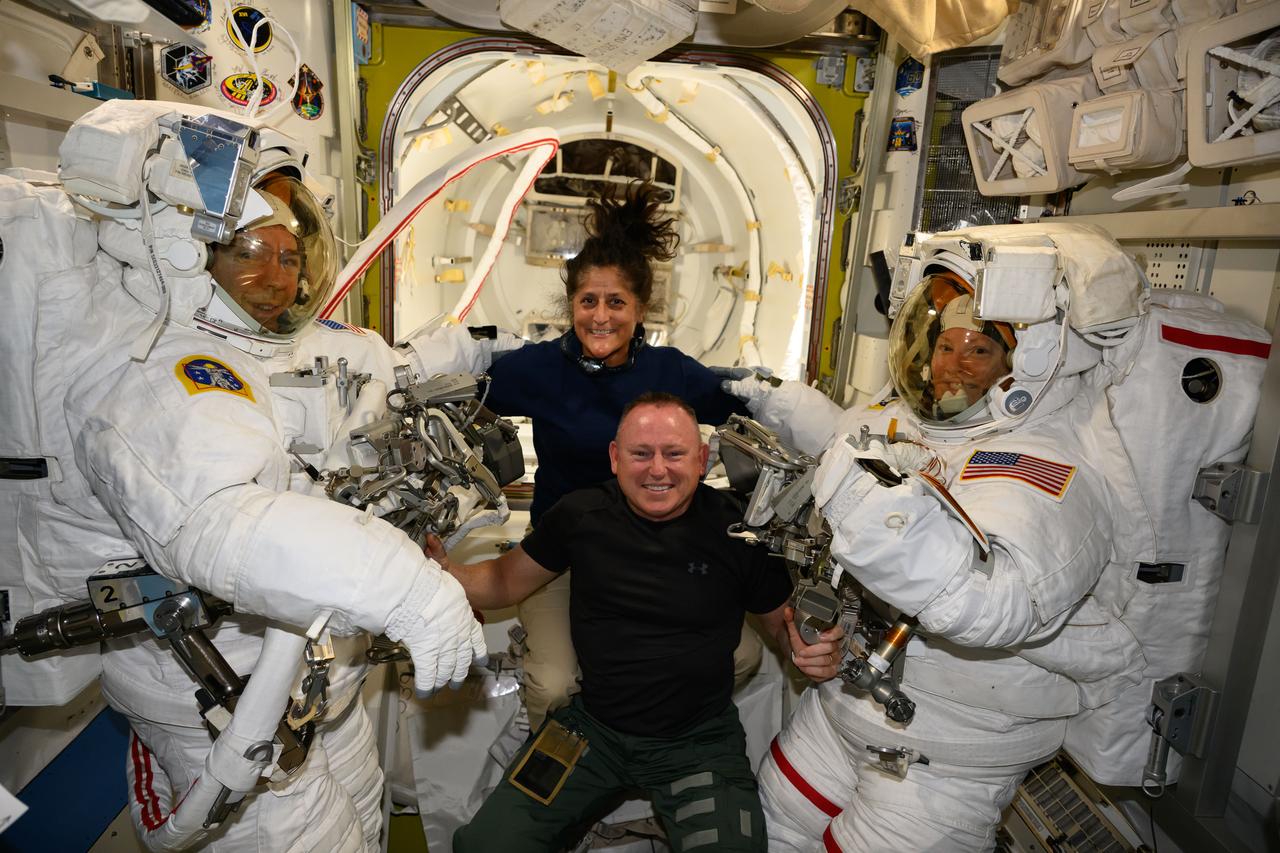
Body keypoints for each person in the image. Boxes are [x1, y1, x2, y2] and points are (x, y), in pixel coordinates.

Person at [0, 100, 532, 851]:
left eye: (291, 255)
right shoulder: (159, 371)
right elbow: (223, 521)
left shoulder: (275, 343)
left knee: (364, 822)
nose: (276, 278)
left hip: (312, 691)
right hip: (226, 709)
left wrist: (489, 351)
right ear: (186, 250)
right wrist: (408, 591)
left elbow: (390, 364)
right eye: (249, 249)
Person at [722, 226, 1152, 851]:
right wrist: (777, 402)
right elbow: (849, 443)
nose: (952, 364)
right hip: (849, 704)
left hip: (947, 747)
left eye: (978, 350)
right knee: (770, 830)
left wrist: (868, 512)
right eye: (945, 346)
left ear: (1020, 367)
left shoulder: (1043, 469)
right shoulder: (908, 423)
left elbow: (995, 604)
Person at [435, 393, 834, 852]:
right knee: (486, 845)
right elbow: (503, 582)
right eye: (641, 454)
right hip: (591, 733)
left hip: (697, 743)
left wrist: (808, 650)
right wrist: (438, 570)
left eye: (675, 453)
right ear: (615, 458)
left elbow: (783, 627)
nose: (657, 470)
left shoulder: (739, 532)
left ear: (702, 459)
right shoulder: (581, 515)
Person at [476, 181, 756, 730]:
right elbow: (460, 390)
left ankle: (650, 751)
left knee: (741, 656)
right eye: (588, 301)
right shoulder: (536, 369)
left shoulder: (671, 372)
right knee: (554, 686)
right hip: (561, 555)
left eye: (616, 302)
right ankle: (562, 787)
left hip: (657, 551)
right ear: (571, 305)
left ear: (640, 309)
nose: (600, 317)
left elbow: (746, 408)